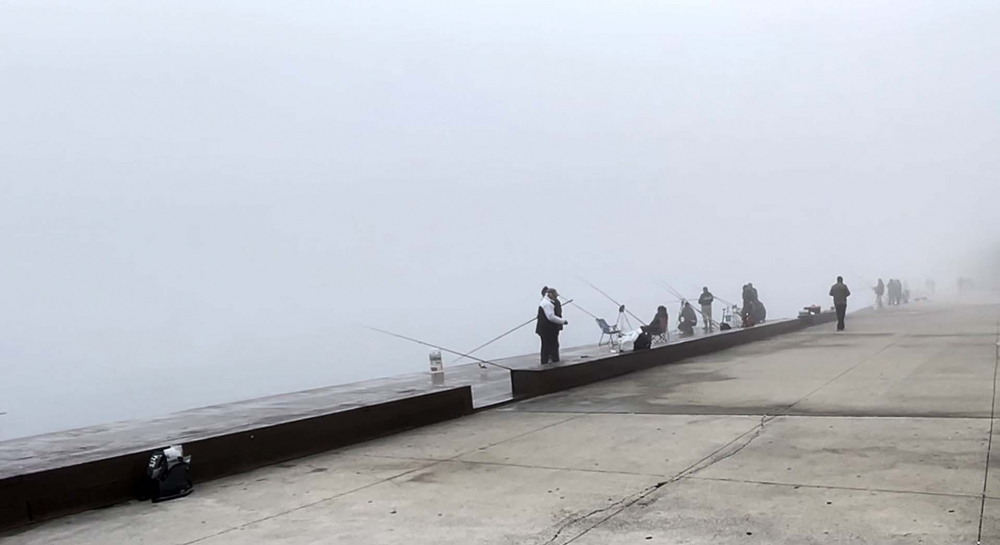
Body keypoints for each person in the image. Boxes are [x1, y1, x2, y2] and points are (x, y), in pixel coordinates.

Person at [536, 287, 568, 364]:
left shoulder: (547, 302)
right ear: (550, 294)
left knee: (549, 346)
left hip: (547, 329)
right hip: (547, 330)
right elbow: (551, 317)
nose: (556, 297)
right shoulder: (547, 304)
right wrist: (563, 321)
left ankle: (548, 361)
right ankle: (553, 362)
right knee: (550, 346)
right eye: (555, 295)